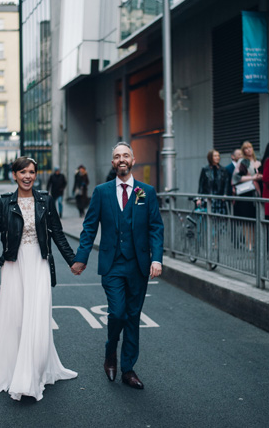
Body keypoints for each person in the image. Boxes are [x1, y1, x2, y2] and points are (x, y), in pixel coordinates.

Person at [0, 156, 78, 401]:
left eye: (31, 172)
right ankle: (15, 370)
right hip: (13, 265)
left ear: (35, 175)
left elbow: (57, 234)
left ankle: (34, 373)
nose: (28, 176)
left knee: (37, 317)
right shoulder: (4, 203)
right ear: (14, 175)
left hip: (39, 264)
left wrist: (73, 261)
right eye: (23, 172)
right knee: (16, 319)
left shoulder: (46, 200)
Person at [71, 142, 164, 390]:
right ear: (113, 163)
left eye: (125, 155)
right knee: (118, 313)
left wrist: (157, 258)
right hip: (112, 264)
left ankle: (128, 369)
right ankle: (110, 350)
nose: (121, 159)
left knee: (133, 317)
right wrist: (81, 257)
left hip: (139, 266)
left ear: (133, 160)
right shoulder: (101, 192)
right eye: (116, 156)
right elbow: (90, 227)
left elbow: (155, 227)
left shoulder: (146, 192)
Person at [232, 141, 262, 250]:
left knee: (255, 219)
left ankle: (254, 242)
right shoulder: (242, 162)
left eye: (250, 147)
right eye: (246, 148)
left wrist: (260, 176)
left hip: (256, 193)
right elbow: (236, 178)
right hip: (246, 193)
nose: (248, 150)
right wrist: (253, 178)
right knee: (247, 220)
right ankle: (249, 243)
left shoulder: (257, 161)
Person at [197, 149, 230, 214]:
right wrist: (199, 198)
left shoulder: (223, 169)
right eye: (215, 156)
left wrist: (225, 194)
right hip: (208, 197)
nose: (217, 157)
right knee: (208, 216)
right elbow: (201, 184)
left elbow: (226, 183)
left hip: (219, 198)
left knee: (220, 217)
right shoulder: (205, 169)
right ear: (210, 157)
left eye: (218, 156)